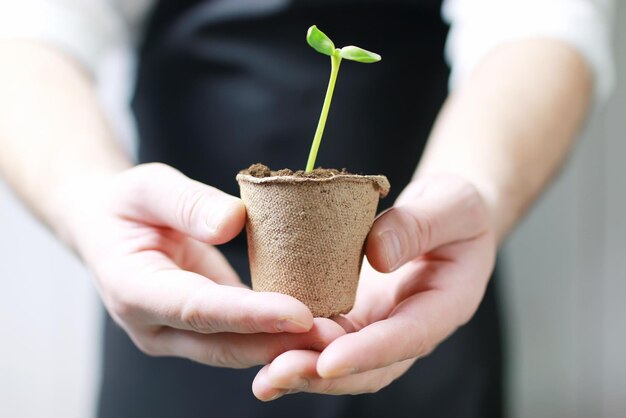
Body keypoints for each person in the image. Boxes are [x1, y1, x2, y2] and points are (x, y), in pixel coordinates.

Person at [0, 0, 614, 417]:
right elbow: (30, 30)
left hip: (417, 286)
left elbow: (544, 20)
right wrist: (88, 202)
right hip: (171, 286)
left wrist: (479, 186)